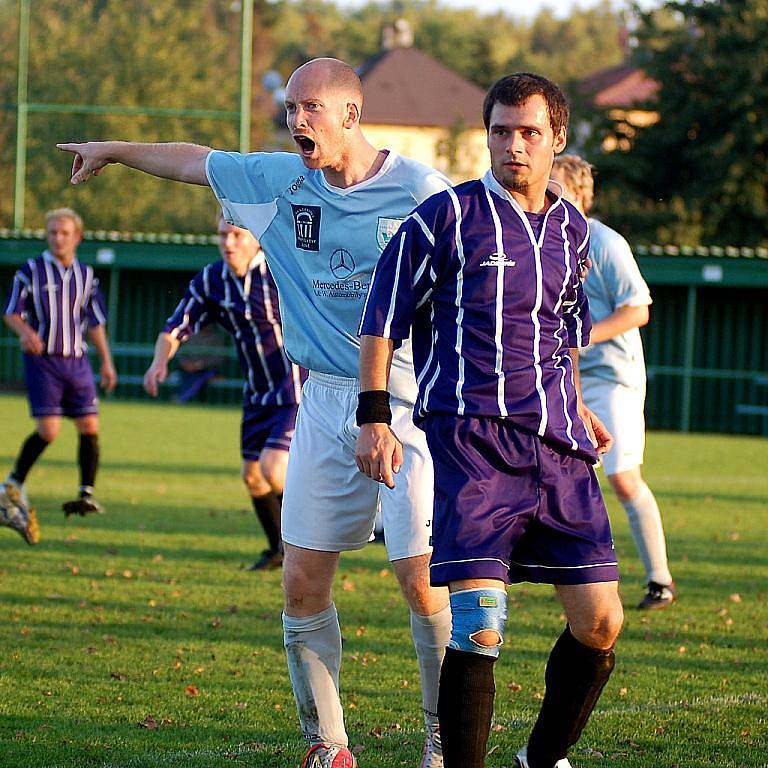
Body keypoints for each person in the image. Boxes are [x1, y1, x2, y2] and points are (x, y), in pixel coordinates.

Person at [57, 57, 452, 768]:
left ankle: (443, 741)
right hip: (325, 401)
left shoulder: (423, 191)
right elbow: (194, 162)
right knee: (301, 584)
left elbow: (473, 289)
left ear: (351, 116)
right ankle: (328, 748)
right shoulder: (281, 182)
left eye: (311, 109)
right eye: (291, 108)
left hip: (409, 402)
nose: (295, 120)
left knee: (422, 583)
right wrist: (114, 151)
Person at [356, 73, 624, 768]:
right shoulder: (445, 217)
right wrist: (375, 416)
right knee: (478, 628)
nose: (514, 144)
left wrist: (582, 407)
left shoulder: (573, 228)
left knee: (600, 624)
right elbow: (382, 320)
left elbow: (562, 332)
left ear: (557, 139)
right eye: (501, 131)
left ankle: (539, 759)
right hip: (473, 441)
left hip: (560, 449)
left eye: (529, 132)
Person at [143, 213, 305, 571]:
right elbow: (175, 327)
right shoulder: (212, 280)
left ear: (255, 239)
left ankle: (313, 545)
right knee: (253, 476)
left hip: (296, 392)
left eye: (235, 235)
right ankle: (279, 550)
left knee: (273, 468)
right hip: (257, 395)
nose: (227, 243)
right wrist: (159, 363)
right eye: (221, 235)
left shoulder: (283, 272)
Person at [551, 154, 675, 610]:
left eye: (556, 184)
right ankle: (576, 575)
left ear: (582, 195)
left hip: (614, 377)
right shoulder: (543, 238)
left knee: (623, 479)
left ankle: (659, 579)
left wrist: (583, 337)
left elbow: (638, 309)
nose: (547, 191)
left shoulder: (604, 242)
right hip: (565, 377)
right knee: (562, 477)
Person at [1, 208, 117, 544]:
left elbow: (95, 323)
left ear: (77, 236)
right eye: (52, 232)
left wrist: (107, 362)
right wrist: (25, 331)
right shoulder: (31, 270)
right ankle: (13, 482)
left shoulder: (86, 275)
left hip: (77, 361)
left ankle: (86, 492)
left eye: (64, 233)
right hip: (44, 361)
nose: (58, 238)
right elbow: (11, 311)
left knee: (90, 425)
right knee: (48, 430)